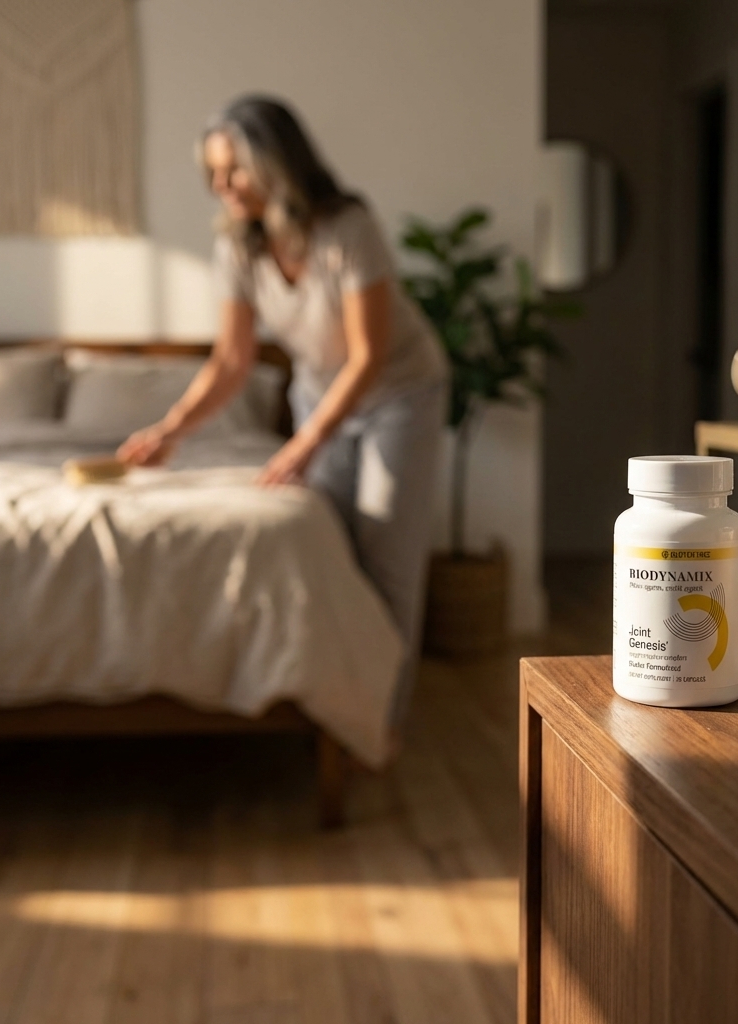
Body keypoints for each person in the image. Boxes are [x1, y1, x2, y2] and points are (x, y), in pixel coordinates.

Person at [118, 95, 448, 722]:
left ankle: (384, 724)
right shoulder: (237, 249)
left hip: (398, 394)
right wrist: (171, 430)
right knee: (330, 547)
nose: (220, 186)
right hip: (320, 394)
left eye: (233, 169)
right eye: (212, 173)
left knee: (387, 554)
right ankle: (338, 701)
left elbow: (369, 354)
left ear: (276, 162)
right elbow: (231, 362)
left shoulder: (348, 227)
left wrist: (304, 443)